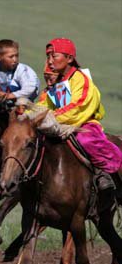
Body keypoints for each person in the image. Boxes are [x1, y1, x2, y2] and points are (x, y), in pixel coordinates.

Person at [37, 37, 122, 202]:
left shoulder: (80, 79)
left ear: (69, 59)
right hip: (61, 125)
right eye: (48, 57)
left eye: (54, 56)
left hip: (85, 124)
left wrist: (52, 117)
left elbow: (79, 105)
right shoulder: (56, 84)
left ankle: (104, 172)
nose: (50, 61)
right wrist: (28, 112)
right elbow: (43, 105)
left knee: (87, 140)